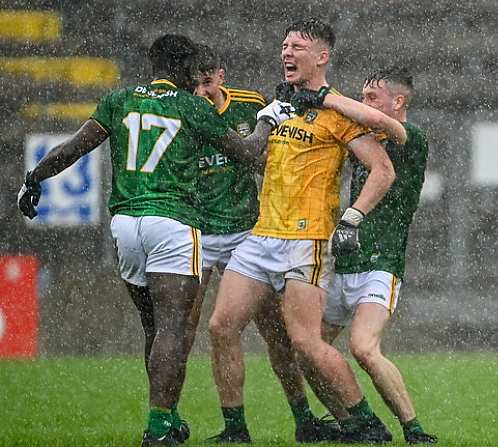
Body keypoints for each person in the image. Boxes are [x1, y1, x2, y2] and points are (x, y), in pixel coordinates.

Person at [16, 34, 293, 446]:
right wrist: (269, 119)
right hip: (173, 224)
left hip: (125, 223)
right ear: (183, 68)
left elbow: (74, 148)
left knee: (152, 326)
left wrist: (33, 179)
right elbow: (251, 154)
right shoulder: (190, 105)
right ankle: (159, 427)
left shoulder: (120, 100)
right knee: (173, 327)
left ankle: (170, 418)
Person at [207, 18, 396, 444]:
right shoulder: (278, 108)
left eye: (297, 47)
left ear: (322, 56)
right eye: (284, 45)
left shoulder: (339, 111)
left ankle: (365, 424)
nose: (286, 53)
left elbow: (383, 170)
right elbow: (262, 163)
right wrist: (262, 125)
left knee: (305, 343)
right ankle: (235, 431)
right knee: (221, 327)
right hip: (261, 236)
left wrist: (353, 216)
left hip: (306, 240)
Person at [290, 66, 437, 444]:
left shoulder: (411, 137)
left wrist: (323, 96)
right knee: (307, 349)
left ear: (398, 101)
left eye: (372, 97)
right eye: (363, 96)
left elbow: (388, 128)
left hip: (381, 265)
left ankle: (414, 430)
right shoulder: (362, 140)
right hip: (345, 263)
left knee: (363, 348)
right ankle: (351, 424)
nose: (364, 104)